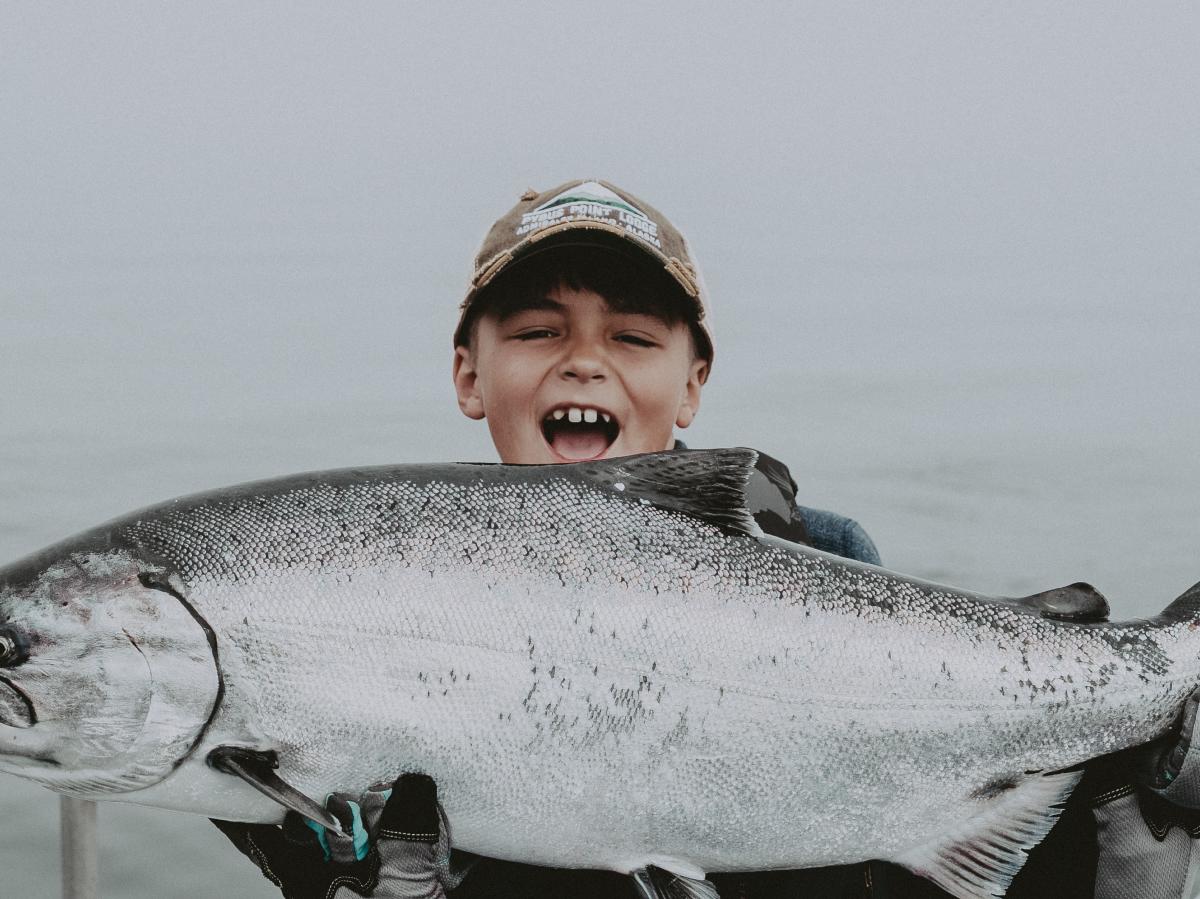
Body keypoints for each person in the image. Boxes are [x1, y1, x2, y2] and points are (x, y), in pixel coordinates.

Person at [215, 179, 1200, 898]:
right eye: (539, 331)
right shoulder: (373, 592)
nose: (587, 363)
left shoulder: (821, 557)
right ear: (469, 374)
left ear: (693, 386)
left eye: (633, 337)